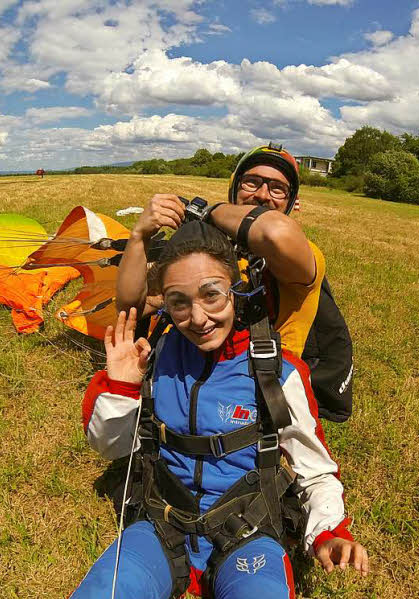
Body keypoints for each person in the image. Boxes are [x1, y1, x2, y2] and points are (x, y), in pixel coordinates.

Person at [0, 222, 368, 599]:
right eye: (179, 302)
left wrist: (327, 532)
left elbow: (316, 469)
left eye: (211, 295)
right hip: (162, 525)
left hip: (248, 536)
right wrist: (122, 381)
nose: (198, 317)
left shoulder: (275, 369)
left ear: (236, 288)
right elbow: (110, 447)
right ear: (164, 303)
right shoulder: (155, 356)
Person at [116, 143, 353, 422]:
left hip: (265, 396)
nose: (262, 194)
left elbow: (275, 232)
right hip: (203, 388)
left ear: (290, 203)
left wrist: (205, 211)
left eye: (277, 188)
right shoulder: (218, 254)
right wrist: (138, 237)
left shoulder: (301, 256)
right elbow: (132, 307)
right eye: (251, 182)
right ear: (234, 187)